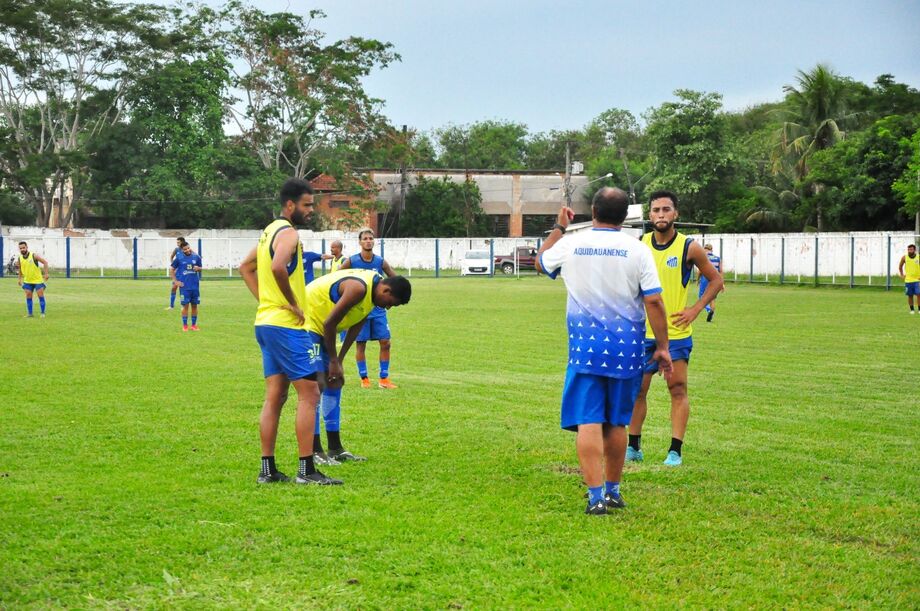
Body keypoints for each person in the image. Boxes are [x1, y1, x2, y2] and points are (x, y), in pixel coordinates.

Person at [535, 188, 672, 515]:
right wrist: (663, 347)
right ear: (625, 216)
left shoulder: (572, 243)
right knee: (617, 423)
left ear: (593, 211)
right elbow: (654, 300)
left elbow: (540, 262)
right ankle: (613, 491)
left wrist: (560, 227)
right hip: (626, 350)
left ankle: (595, 497)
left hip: (585, 351)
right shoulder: (638, 250)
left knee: (588, 420)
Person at [239, 177, 341, 486]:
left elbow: (245, 267)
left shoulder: (268, 232)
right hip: (286, 327)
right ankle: (306, 470)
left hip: (266, 323)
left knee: (275, 396)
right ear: (289, 205)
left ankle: (267, 470)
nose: (311, 210)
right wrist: (293, 304)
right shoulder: (288, 233)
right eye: (307, 205)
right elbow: (277, 267)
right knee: (309, 393)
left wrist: (267, 301)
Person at [627, 191, 724, 467]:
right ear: (649, 215)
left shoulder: (688, 247)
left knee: (678, 389)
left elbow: (716, 280)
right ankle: (633, 446)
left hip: (676, 334)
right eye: (656, 210)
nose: (661, 214)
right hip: (642, 333)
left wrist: (695, 309)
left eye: (666, 209)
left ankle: (675, 450)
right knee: (637, 390)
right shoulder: (640, 245)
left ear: (675, 213)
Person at [305, 269, 412, 463]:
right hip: (308, 323)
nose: (388, 308)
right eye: (390, 303)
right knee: (315, 386)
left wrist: (339, 360)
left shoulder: (373, 295)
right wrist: (333, 360)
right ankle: (314, 450)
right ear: (386, 290)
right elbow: (329, 324)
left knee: (334, 381)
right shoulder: (358, 288)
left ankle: (335, 448)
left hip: (323, 327)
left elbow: (356, 325)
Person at [338, 229, 399, 389]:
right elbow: (337, 278)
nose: (368, 241)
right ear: (360, 242)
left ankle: (384, 379)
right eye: (365, 238)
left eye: (371, 238)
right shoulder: (351, 261)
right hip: (360, 309)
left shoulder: (380, 262)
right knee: (361, 343)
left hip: (377, 309)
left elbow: (395, 280)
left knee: (385, 342)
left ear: (374, 241)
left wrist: (392, 297)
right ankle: (364, 378)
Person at [170, 242, 203, 332]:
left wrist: (198, 268)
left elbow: (201, 267)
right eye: (185, 249)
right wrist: (175, 281)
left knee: (195, 305)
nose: (187, 250)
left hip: (195, 286)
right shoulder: (179, 258)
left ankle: (193, 325)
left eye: (188, 248)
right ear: (182, 250)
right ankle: (185, 326)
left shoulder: (196, 257)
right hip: (184, 287)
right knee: (185, 306)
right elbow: (172, 269)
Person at [17, 241, 50, 318]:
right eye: (20, 248)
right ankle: (30, 314)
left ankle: (42, 313)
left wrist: (46, 274)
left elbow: (45, 262)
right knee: (28, 296)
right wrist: (19, 279)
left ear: (27, 247)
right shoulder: (20, 258)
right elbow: (20, 269)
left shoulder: (33, 255)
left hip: (38, 280)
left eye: (23, 248)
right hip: (27, 281)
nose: (22, 249)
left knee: (40, 295)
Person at [699, 244, 724, 322]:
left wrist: (698, 279)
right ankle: (712, 312)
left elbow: (700, 270)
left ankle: (709, 310)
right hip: (715, 279)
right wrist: (722, 283)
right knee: (712, 298)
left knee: (701, 297)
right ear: (711, 250)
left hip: (705, 278)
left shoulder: (704, 257)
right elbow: (721, 271)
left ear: (704, 249)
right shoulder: (718, 258)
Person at [166, 237, 188, 310]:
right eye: (177, 242)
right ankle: (171, 306)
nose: (177, 244)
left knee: (182, 289)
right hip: (177, 273)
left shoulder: (187, 250)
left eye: (178, 242)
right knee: (174, 288)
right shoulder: (176, 249)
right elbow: (171, 257)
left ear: (182, 242)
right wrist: (174, 266)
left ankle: (183, 305)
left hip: (184, 273)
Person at [898, 244, 920, 314]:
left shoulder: (918, 257)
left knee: (919, 294)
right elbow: (900, 267)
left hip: (917, 280)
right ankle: (912, 310)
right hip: (908, 280)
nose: (909, 251)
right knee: (910, 295)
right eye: (908, 249)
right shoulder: (904, 257)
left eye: (911, 249)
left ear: (914, 250)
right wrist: (902, 275)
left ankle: (919, 309)